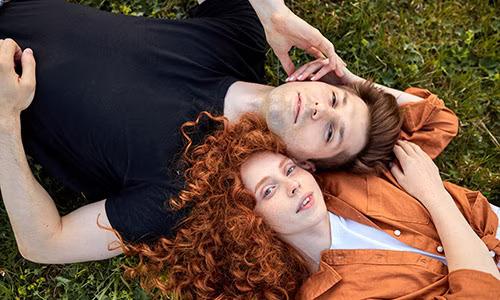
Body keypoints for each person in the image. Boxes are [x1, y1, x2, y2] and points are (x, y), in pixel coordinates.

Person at [0, 0, 407, 263]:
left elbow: (44, 243)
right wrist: (273, 13)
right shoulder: (240, 41)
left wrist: (5, 117)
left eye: (331, 134)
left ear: (302, 162)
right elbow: (429, 114)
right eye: (336, 100)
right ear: (321, 78)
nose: (320, 110)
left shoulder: (181, 189)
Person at [120, 112, 499, 299]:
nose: (293, 185)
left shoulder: (344, 178)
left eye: (289, 169)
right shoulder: (329, 296)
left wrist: (340, 86)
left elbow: (433, 120)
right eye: (268, 192)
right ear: (247, 223)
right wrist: (433, 195)